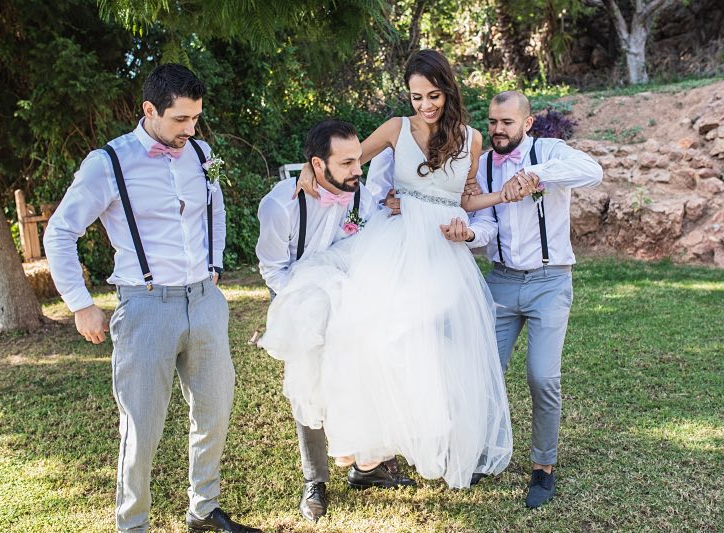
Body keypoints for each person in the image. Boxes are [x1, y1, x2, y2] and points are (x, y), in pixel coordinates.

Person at [260, 49, 514, 489]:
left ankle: (443, 442)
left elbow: (466, 198)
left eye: (432, 95)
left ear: (448, 90)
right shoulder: (397, 128)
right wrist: (308, 170)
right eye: (416, 97)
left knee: (441, 347)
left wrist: (500, 197)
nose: (425, 105)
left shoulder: (473, 139)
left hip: (444, 250)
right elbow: (347, 157)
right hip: (396, 243)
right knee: (377, 339)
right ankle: (367, 452)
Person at [44, 64, 260, 533]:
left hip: (205, 301)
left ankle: (203, 509)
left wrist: (215, 264)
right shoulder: (108, 162)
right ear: (149, 110)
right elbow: (59, 232)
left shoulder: (201, 153)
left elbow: (215, 209)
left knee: (215, 413)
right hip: (145, 307)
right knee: (141, 428)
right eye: (181, 119)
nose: (191, 129)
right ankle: (133, 525)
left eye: (196, 118)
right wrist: (80, 303)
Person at [445, 90, 603, 508]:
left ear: (527, 123)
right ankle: (486, 452)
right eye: (493, 122)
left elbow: (592, 171)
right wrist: (469, 234)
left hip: (550, 282)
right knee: (484, 372)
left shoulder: (548, 151)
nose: (497, 130)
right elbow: (486, 224)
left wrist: (536, 174)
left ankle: (543, 467)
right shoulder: (482, 165)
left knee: (543, 377)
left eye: (507, 122)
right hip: (501, 281)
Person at [257, 119, 415, 523]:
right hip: (296, 295)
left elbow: (368, 237)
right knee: (307, 383)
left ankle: (367, 463)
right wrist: (312, 297)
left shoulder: (360, 194)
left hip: (347, 289)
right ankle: (315, 480)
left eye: (358, 160)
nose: (357, 169)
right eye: (346, 163)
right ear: (317, 164)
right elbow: (273, 270)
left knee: (366, 367)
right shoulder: (280, 205)